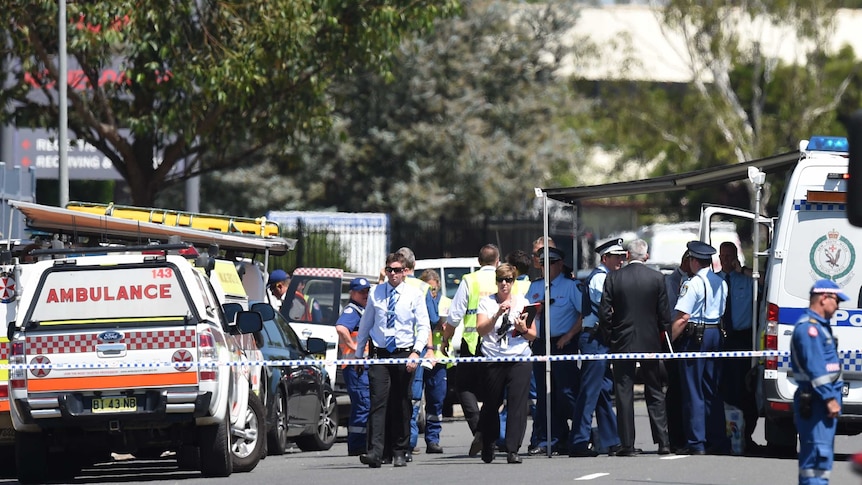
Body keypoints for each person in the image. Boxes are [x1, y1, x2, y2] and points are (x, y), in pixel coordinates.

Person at [354, 252, 431, 468]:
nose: (393, 274)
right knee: (378, 402)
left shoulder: (414, 294)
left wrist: (416, 352)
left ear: (405, 271)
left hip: (404, 353)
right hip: (379, 354)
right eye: (390, 270)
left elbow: (424, 326)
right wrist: (359, 356)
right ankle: (376, 452)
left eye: (398, 270)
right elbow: (366, 325)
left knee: (401, 402)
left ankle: (399, 449)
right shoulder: (376, 292)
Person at [600, 238, 671, 456]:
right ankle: (663, 442)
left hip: (623, 341)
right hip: (650, 342)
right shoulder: (657, 278)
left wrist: (610, 336)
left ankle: (627, 444)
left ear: (627, 255)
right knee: (655, 391)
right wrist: (660, 338)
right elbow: (665, 316)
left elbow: (604, 313)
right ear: (646, 256)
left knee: (623, 393)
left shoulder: (613, 277)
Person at [671, 241, 730, 455]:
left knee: (693, 390)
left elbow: (683, 317)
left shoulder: (692, 283)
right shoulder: (721, 282)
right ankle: (717, 439)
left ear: (694, 261)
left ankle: (696, 441)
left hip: (696, 336)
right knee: (712, 389)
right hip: (716, 333)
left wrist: (668, 342)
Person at [474, 263, 537, 464]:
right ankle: (488, 441)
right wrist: (497, 314)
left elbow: (533, 334)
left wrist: (523, 328)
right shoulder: (486, 303)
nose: (504, 284)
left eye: (508, 280)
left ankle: (512, 449)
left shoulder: (523, 303)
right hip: (494, 358)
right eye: (501, 280)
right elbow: (481, 330)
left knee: (517, 404)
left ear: (514, 282)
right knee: (491, 403)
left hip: (518, 357)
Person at [568, 238, 624, 457]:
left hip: (601, 339)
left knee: (602, 390)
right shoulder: (600, 279)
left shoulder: (607, 277)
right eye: (616, 257)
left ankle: (612, 440)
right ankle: (579, 441)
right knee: (590, 392)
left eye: (622, 256)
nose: (620, 260)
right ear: (605, 258)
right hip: (595, 339)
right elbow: (608, 309)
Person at [443, 244, 500, 456]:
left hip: (472, 341)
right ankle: (488, 435)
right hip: (497, 344)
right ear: (498, 260)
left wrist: (445, 339)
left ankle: (480, 430)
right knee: (492, 392)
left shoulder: (470, 280)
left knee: (463, 386)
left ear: (478, 261)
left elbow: (455, 315)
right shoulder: (503, 278)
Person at [527, 245, 581, 456]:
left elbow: (582, 314)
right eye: (542, 264)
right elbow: (526, 313)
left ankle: (579, 433)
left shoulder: (570, 287)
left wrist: (569, 336)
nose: (545, 268)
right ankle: (549, 438)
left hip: (562, 344)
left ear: (559, 264)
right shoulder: (535, 287)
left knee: (566, 392)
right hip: (541, 343)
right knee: (544, 393)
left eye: (550, 263)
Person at [792, 279, 846, 485]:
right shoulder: (810, 329)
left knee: (819, 464)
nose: (838, 306)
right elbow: (816, 369)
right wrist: (830, 397)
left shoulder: (820, 328)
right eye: (837, 300)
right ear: (824, 298)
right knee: (816, 461)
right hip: (816, 403)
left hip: (819, 404)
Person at [717, 241, 762, 455]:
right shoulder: (714, 280)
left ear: (736, 256)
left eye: (729, 255)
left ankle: (746, 437)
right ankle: (723, 436)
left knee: (744, 390)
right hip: (720, 339)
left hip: (742, 340)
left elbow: (765, 280)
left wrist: (742, 270)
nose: (725, 259)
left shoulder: (747, 279)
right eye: (722, 255)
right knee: (723, 389)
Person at [397, 247, 441, 459]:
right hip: (418, 348)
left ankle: (402, 442)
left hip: (393, 349)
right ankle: (409, 442)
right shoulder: (423, 288)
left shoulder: (388, 284)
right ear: (414, 266)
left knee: (398, 396)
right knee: (414, 398)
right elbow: (433, 320)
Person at [335, 277, 372, 456]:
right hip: (354, 366)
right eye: (361, 292)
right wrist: (354, 347)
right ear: (352, 293)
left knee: (365, 404)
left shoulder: (362, 309)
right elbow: (341, 328)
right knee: (363, 404)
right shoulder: (352, 310)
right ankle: (357, 444)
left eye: (366, 291)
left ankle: (362, 442)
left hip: (360, 365)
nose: (365, 294)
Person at [664, 249, 691, 452]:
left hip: (689, 338)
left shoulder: (694, 280)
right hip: (676, 338)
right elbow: (674, 312)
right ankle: (676, 438)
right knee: (676, 390)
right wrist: (669, 342)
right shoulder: (672, 281)